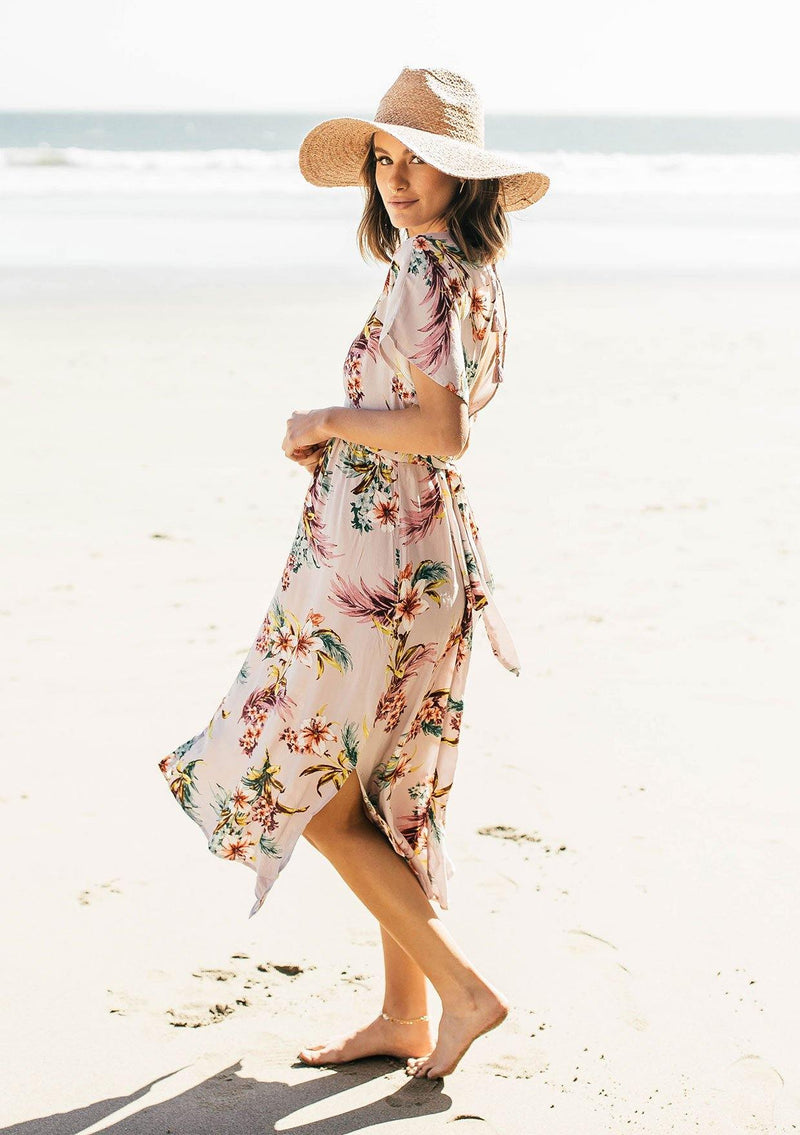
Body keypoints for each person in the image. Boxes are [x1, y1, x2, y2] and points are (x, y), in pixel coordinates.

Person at [158, 66, 549, 1080]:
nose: (399, 177)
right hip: (422, 555)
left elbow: (439, 430)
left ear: (467, 179)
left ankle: (462, 992)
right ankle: (405, 1015)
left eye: (423, 160)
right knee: (387, 790)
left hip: (378, 560)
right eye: (386, 157)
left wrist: (326, 420)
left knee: (318, 789)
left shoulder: (427, 268)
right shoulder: (466, 268)